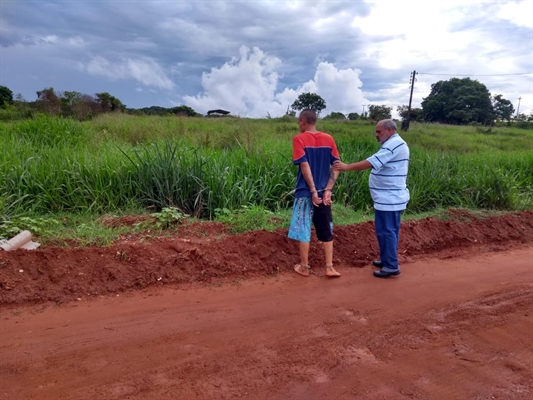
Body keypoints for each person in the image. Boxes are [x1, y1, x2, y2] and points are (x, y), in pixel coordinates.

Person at [333, 119, 410, 278]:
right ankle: (387, 259)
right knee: (387, 230)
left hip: (389, 198)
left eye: (379, 131)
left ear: (389, 130)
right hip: (388, 197)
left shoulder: (394, 144)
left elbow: (372, 162)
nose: (376, 135)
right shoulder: (395, 143)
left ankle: (391, 265)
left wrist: (347, 167)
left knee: (387, 231)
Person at [288, 109, 341, 278]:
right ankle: (329, 267)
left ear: (303, 121)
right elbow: (337, 165)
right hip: (323, 193)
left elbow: (304, 166)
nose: (298, 125)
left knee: (304, 228)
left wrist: (312, 191)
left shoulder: (299, 139)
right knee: (326, 227)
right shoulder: (329, 139)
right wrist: (327, 190)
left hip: (306, 192)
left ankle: (304, 267)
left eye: (299, 122)